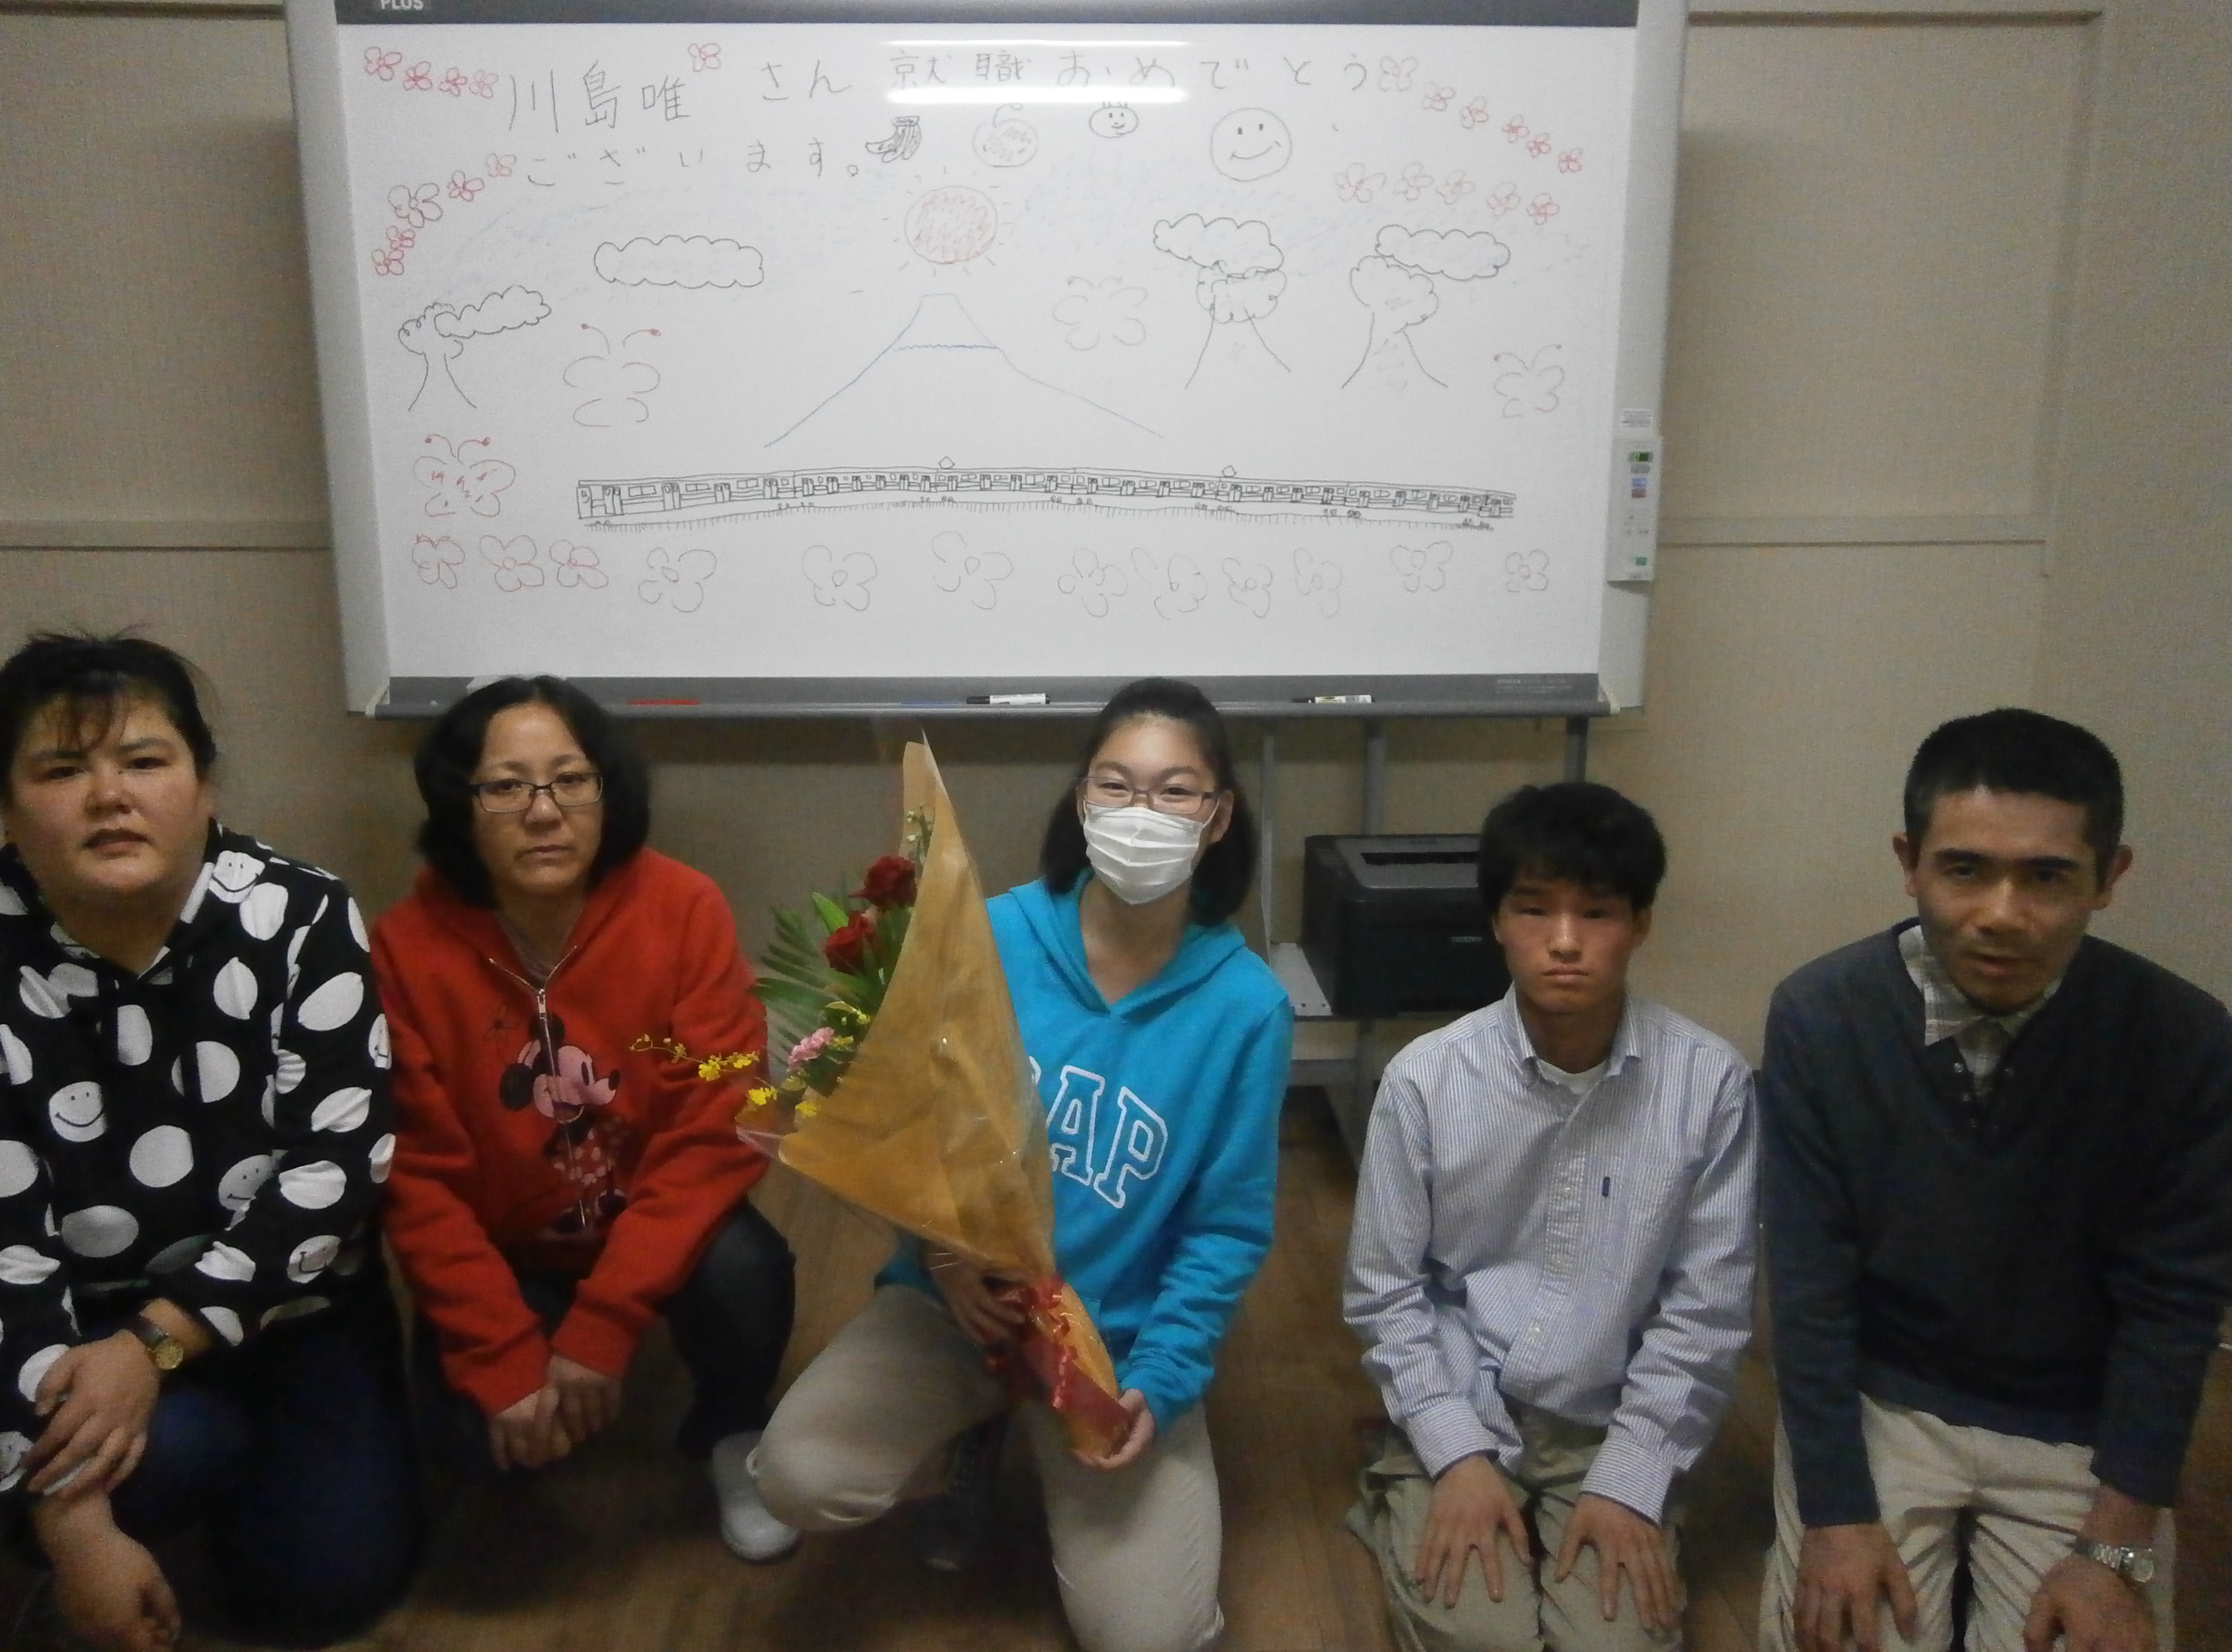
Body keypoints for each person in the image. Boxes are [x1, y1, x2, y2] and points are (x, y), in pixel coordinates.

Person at [754, 677, 1293, 1652]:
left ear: (1218, 819)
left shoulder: (1247, 1007)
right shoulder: (989, 936)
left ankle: (1045, 1456)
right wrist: (945, 1257)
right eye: (1115, 785)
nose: (1142, 813)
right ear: (1081, 801)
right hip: (956, 1307)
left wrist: (1163, 1374)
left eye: (1176, 791)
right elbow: (909, 1119)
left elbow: (1226, 1225)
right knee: (799, 1476)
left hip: (1114, 1342)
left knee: (1151, 1638)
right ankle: (972, 1430)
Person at [0, 633, 418, 1650]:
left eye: (145, 761)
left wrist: (157, 1346)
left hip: (294, 1310)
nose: (110, 797)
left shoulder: (301, 915)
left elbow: (335, 1169)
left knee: (326, 1589)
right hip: (82, 1339)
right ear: (6, 810)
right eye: (62, 771)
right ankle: (125, 1497)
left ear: (202, 786)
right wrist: (74, 1527)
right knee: (161, 1465)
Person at [1760, 709, 2232, 1652]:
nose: (2002, 914)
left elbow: (2175, 1308)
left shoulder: (2184, 1042)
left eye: (2048, 876)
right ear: (1910, 863)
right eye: (1965, 870)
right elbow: (1811, 1288)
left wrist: (2114, 1548)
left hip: (2076, 1423)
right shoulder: (1823, 1015)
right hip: (1888, 1400)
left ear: (2110, 878)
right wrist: (1838, 1515)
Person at [370, 675, 799, 1560]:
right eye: (505, 786)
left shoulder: (684, 907)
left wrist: (605, 1327)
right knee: (473, 1449)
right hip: (510, 1245)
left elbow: (719, 1121)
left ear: (610, 791)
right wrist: (501, 1354)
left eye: (571, 780)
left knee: (747, 1269)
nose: (543, 812)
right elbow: (417, 1179)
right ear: (460, 805)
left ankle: (729, 1426)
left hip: (654, 1221)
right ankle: (532, 1352)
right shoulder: (404, 949)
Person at [1344, 781, 1758, 1652]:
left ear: (1641, 923)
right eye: (1534, 910)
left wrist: (1632, 1477)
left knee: (1618, 1642)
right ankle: (1404, 1478)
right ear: (1497, 920)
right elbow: (1385, 1291)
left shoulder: (1710, 1084)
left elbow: (1706, 1310)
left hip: (1611, 1416)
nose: (1564, 941)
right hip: (1460, 1395)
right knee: (1478, 1635)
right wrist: (1456, 1450)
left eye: (1597, 913)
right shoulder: (1425, 1080)